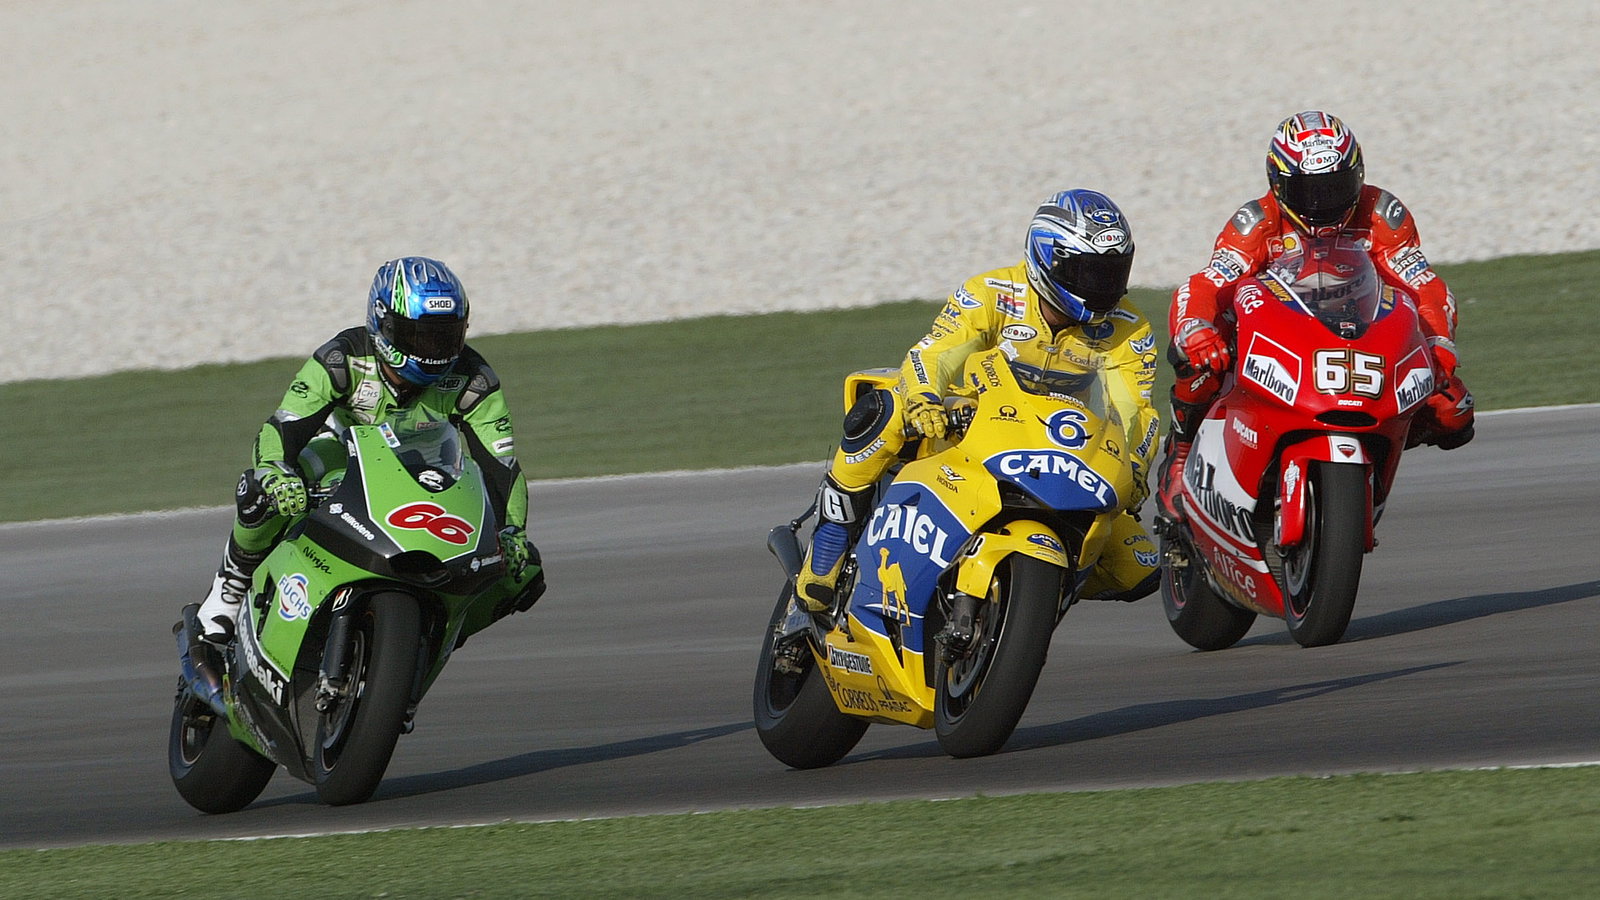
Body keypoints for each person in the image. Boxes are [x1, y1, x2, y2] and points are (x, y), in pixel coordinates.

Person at [794, 188, 1163, 614]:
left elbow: (1136, 412)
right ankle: (831, 538)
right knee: (885, 408)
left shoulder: (1129, 328)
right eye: (1090, 273)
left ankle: (1022, 599)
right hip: (968, 424)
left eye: (1114, 273)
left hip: (1064, 451)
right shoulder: (992, 291)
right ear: (1048, 258)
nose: (1106, 289)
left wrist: (1135, 467)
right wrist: (925, 400)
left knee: (1140, 571)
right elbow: (935, 354)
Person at [193, 256, 543, 642]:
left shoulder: (474, 380)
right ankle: (231, 584)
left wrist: (512, 531)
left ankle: (435, 635)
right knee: (260, 489)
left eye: (446, 336)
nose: (434, 350)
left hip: (430, 477)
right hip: (339, 460)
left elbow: (501, 465)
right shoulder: (342, 358)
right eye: (419, 336)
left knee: (521, 572)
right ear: (383, 324)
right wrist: (276, 470)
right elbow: (282, 428)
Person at [1157, 110, 1475, 521]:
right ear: (1278, 184)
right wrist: (1196, 330)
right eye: (1308, 191)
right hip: (1275, 332)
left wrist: (1439, 344)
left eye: (1336, 187)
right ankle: (1181, 457)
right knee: (1198, 361)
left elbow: (1424, 286)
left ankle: (1369, 454)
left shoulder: (1381, 214)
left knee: (1453, 410)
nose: (1323, 204)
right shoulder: (1256, 222)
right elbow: (1206, 284)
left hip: (1358, 334)